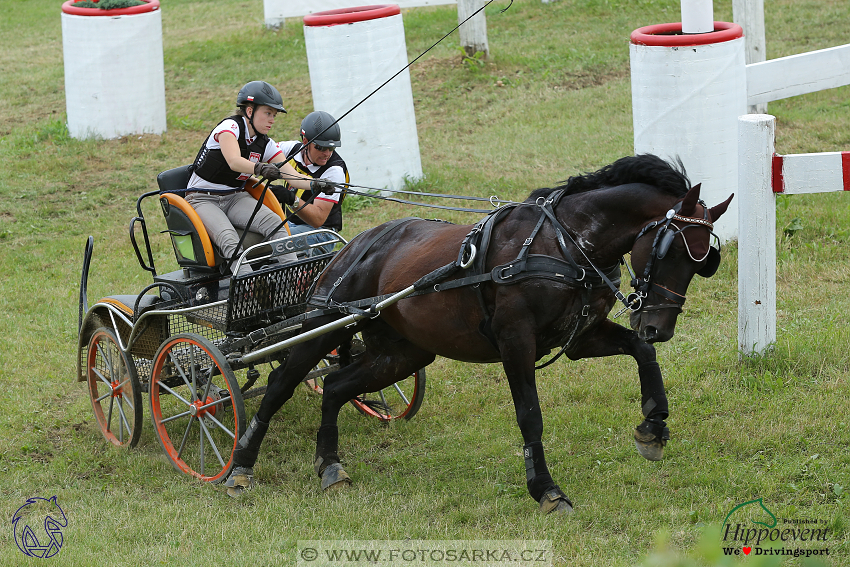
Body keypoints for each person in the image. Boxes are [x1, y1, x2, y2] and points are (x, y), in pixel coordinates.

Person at [185, 80, 320, 274]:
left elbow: (292, 177)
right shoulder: (229, 128)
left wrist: (316, 184)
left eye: (274, 115)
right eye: (267, 113)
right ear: (250, 111)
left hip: (235, 197)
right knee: (229, 238)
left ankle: (294, 278)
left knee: (276, 223)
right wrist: (260, 168)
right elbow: (233, 161)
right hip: (202, 198)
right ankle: (249, 288)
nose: (272, 120)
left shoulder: (266, 144)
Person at [273, 111, 349, 256]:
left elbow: (317, 219)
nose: (327, 153)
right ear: (306, 142)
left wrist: (291, 199)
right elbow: (265, 150)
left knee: (273, 244)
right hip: (291, 224)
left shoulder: (334, 171)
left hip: (321, 232)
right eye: (320, 147)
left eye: (331, 148)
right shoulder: (291, 149)